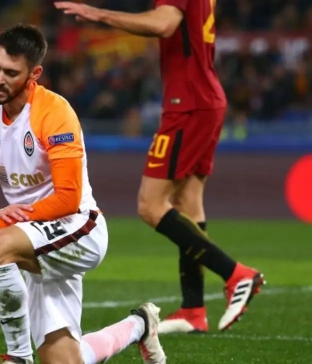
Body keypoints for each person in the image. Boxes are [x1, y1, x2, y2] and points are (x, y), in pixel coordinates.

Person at [0, 23, 166, 364]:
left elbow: (67, 197)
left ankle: (19, 363)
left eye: (10, 73)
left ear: (34, 74)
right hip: (31, 237)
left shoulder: (54, 112)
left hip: (79, 228)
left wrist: (2, 226)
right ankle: (140, 324)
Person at [54, 1, 265, 333]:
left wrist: (101, 15)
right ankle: (193, 310)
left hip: (188, 104)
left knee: (151, 205)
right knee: (188, 201)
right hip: (205, 99)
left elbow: (164, 23)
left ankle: (236, 274)